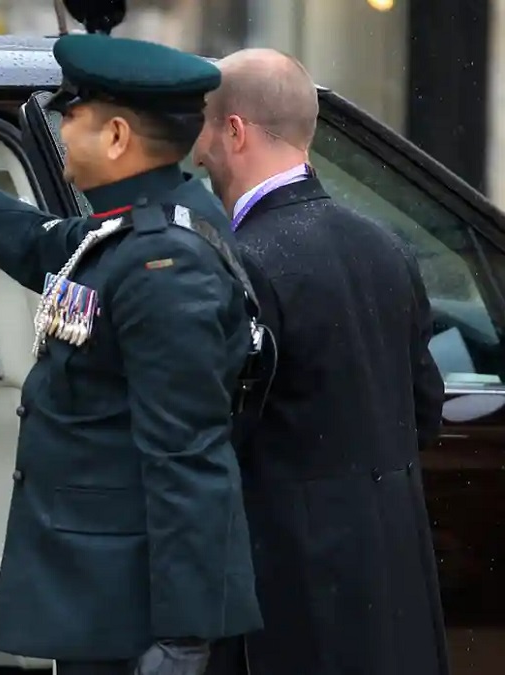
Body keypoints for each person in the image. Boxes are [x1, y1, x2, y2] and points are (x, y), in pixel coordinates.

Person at [0, 33, 262, 675]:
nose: (62, 132)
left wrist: (185, 635)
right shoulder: (133, 229)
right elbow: (30, 240)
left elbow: (186, 459)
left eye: (71, 118)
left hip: (136, 617)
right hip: (101, 599)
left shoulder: (164, 267)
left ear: (118, 137)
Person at [193, 47, 448, 675]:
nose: (197, 153)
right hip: (394, 585)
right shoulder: (387, 245)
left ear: (234, 130)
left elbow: (218, 434)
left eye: (203, 128)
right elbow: (425, 411)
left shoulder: (242, 261)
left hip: (291, 593)